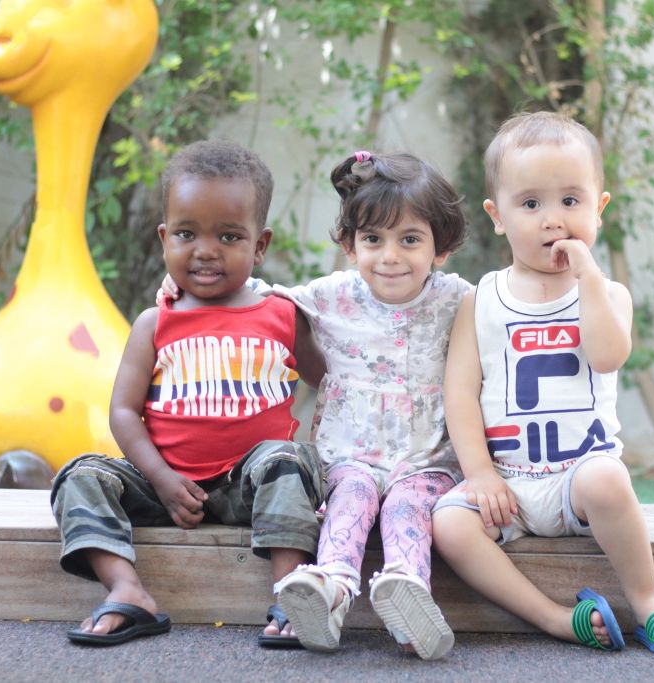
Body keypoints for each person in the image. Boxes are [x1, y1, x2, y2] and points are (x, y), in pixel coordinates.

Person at [164, 151, 471, 659]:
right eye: (373, 239)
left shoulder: (458, 298)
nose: (390, 255)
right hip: (348, 454)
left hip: (428, 460)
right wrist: (181, 285)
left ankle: (409, 591)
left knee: (405, 506)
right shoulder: (330, 295)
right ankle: (329, 590)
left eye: (410, 240)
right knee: (348, 500)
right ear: (350, 246)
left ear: (441, 248)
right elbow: (257, 293)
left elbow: (508, 309)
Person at [432, 111, 654, 655]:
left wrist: (589, 279)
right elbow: (460, 393)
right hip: (508, 482)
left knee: (608, 478)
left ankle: (647, 600)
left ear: (600, 209)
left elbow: (606, 356)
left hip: (577, 479)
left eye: (571, 201)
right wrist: (481, 474)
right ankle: (556, 618)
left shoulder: (609, 294)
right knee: (448, 525)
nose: (553, 220)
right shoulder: (480, 299)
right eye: (531, 204)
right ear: (498, 217)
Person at [50, 140, 327, 648]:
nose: (205, 250)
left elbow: (331, 382)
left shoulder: (283, 315)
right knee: (80, 475)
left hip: (251, 486)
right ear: (164, 239)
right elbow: (123, 411)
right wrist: (159, 477)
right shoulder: (155, 322)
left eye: (228, 235)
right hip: (163, 484)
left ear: (259, 245)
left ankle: (293, 592)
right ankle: (127, 590)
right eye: (186, 233)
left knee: (289, 459)